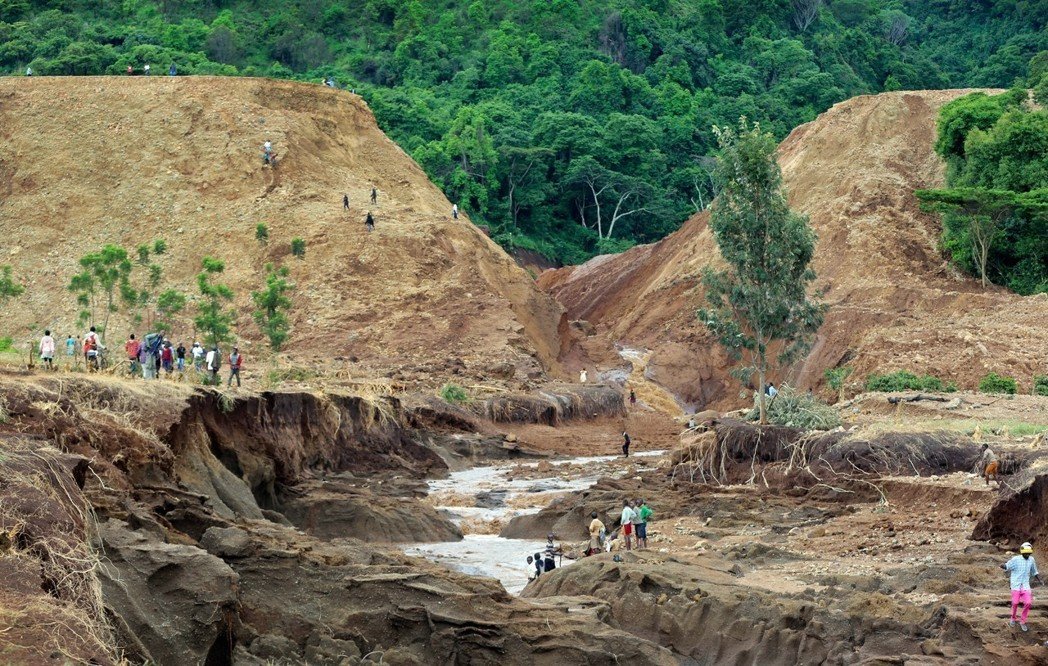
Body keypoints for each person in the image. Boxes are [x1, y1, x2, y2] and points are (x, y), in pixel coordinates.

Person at [1002, 542, 1042, 632]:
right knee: (1015, 603)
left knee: (1028, 602)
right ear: (1022, 552)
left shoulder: (1031, 560)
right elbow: (1007, 566)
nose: (1027, 555)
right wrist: (1004, 566)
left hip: (1025, 585)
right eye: (1026, 553)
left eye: (1029, 553)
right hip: (1015, 585)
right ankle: (1013, 618)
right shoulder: (1016, 559)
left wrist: (1039, 580)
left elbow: (1034, 571)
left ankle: (1022, 621)